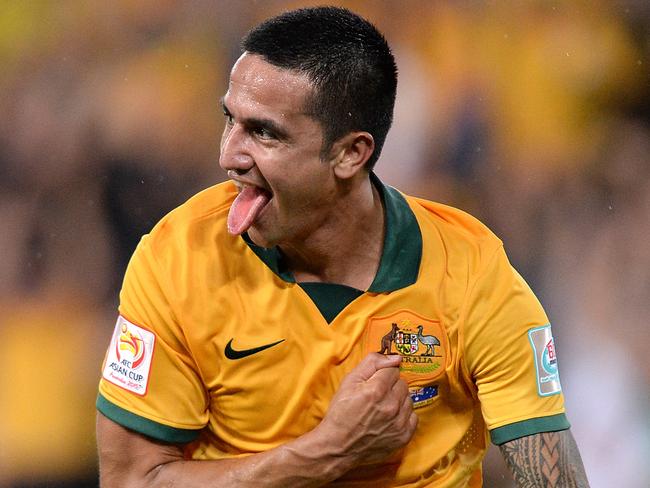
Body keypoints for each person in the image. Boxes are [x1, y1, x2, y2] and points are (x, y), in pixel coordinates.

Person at [95, 6, 589, 487]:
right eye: (231, 120)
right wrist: (327, 450)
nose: (228, 155)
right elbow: (132, 479)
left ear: (351, 153)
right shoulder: (178, 259)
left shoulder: (471, 272)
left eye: (263, 133)